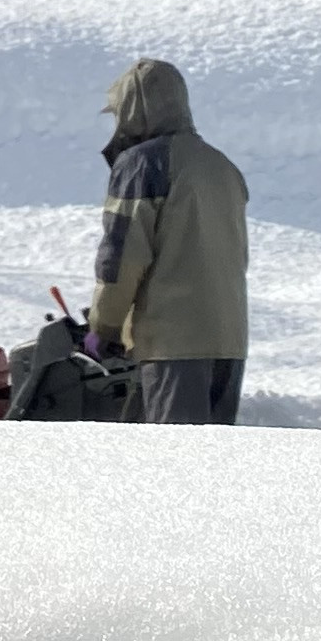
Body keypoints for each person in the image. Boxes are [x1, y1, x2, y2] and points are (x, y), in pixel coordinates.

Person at [87, 56, 247, 423]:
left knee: (172, 464)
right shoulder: (221, 166)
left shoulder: (143, 165)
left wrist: (103, 327)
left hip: (173, 347)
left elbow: (122, 257)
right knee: (209, 466)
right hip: (229, 343)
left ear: (132, 110)